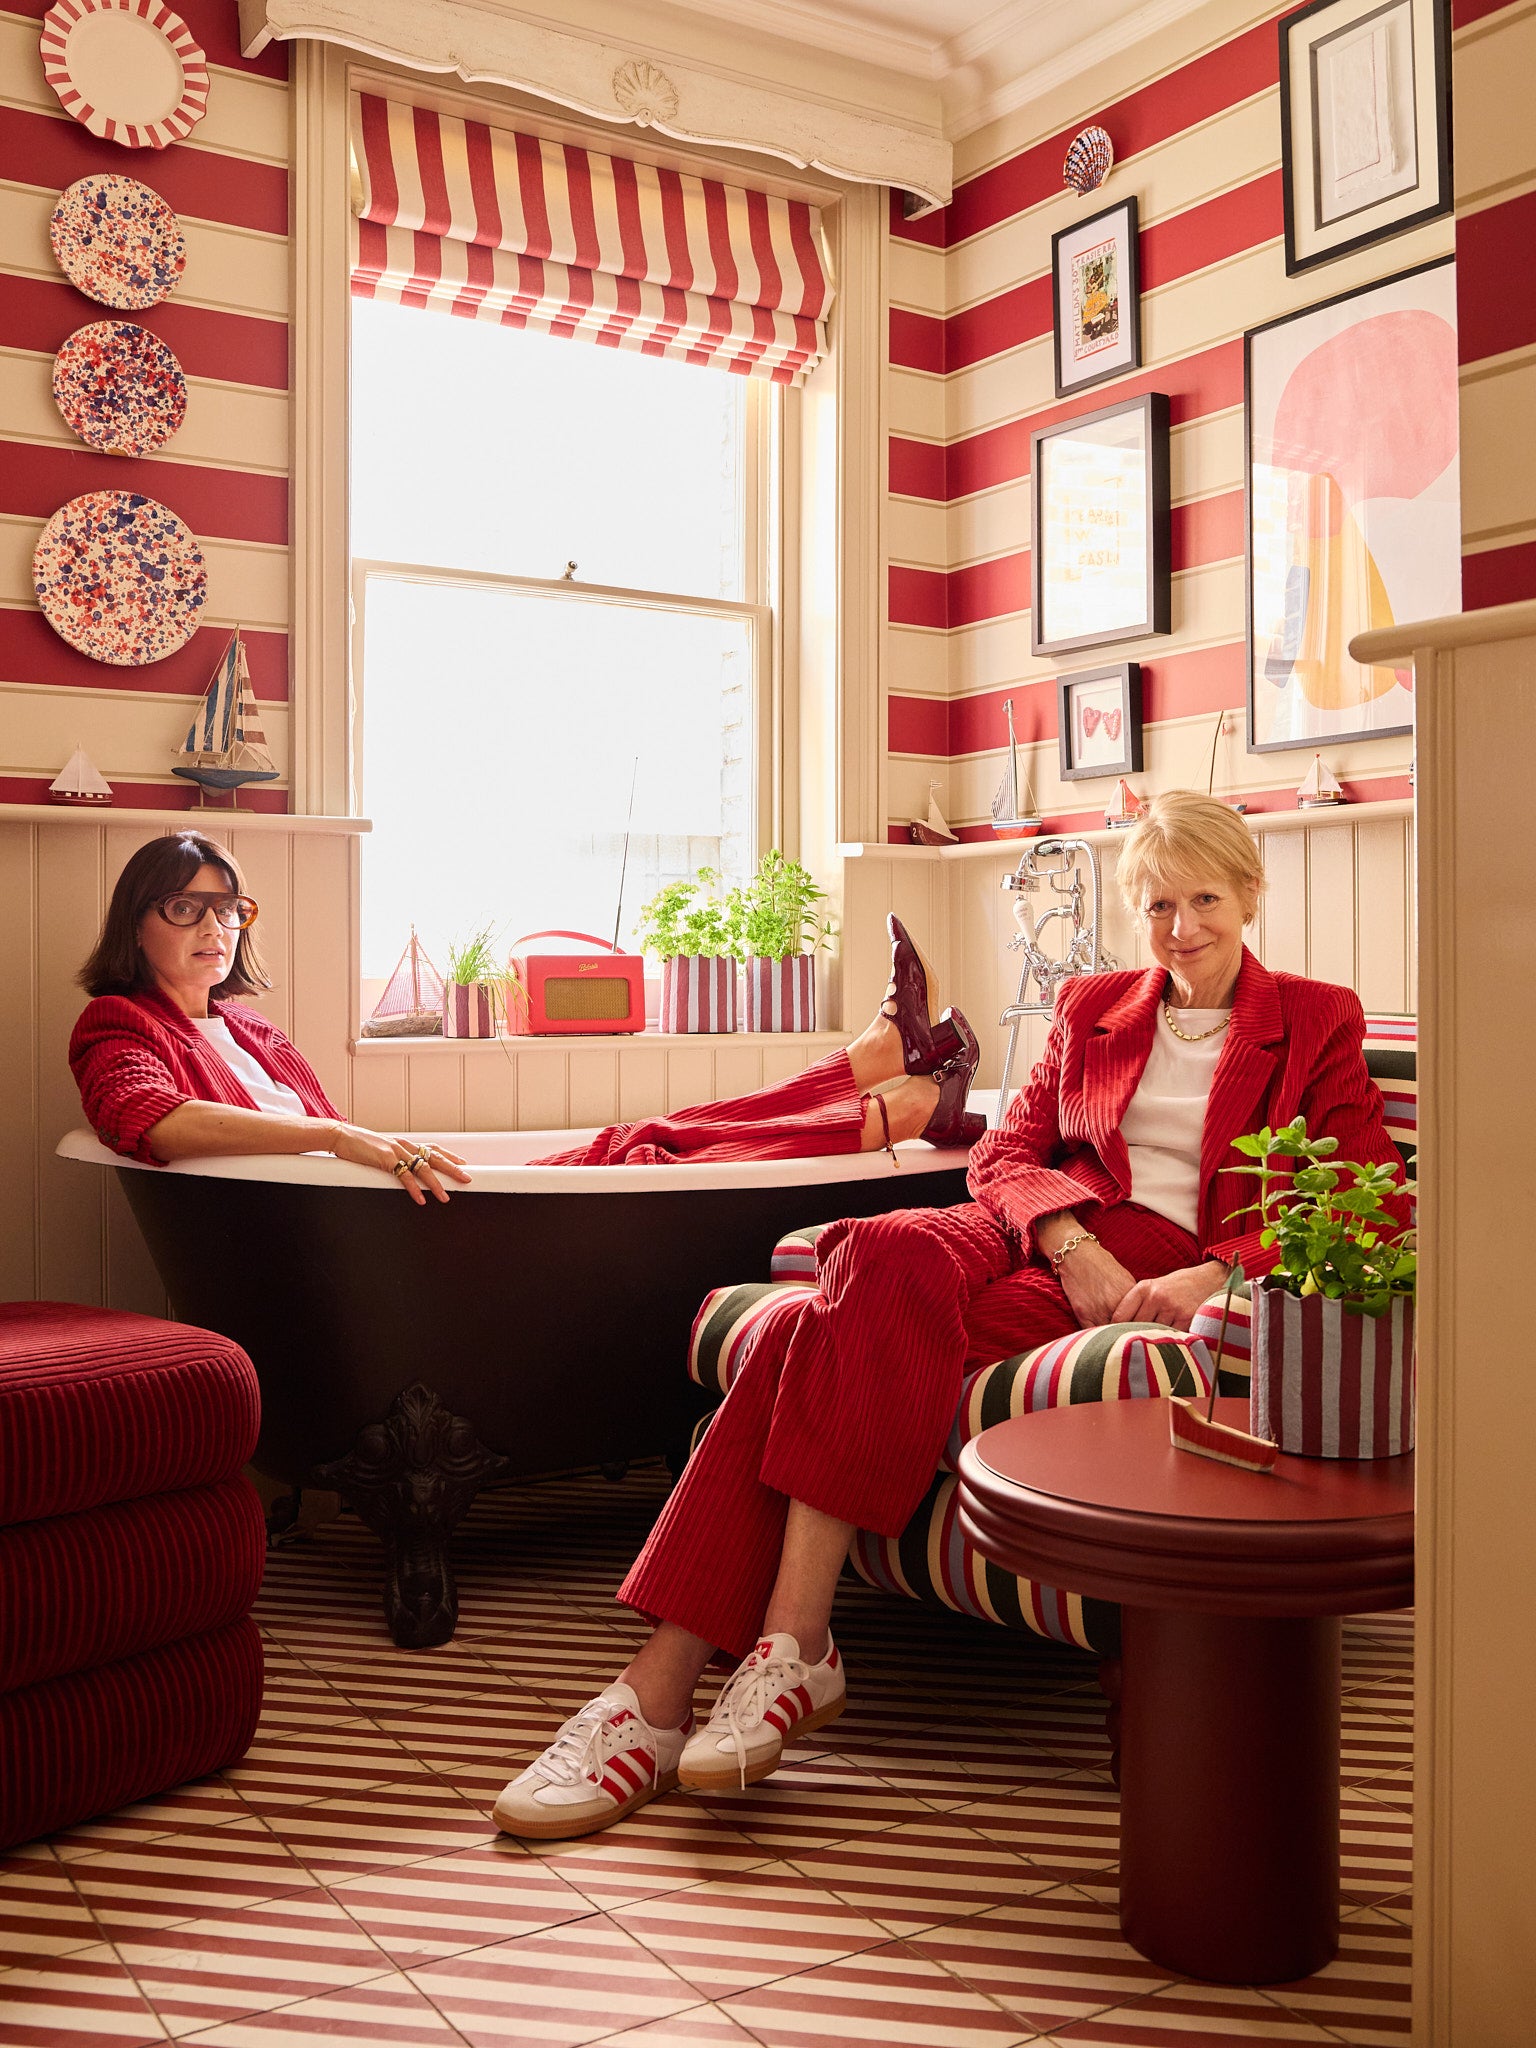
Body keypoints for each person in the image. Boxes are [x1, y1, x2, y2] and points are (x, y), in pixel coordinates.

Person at [493, 788, 1410, 1842]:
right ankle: (795, 1643)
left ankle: (655, 1698)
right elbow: (1003, 1154)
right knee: (876, 1243)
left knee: (802, 1332)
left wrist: (1219, 1275)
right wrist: (1070, 1240)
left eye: (1204, 897)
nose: (1182, 925)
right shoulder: (1090, 1007)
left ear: (1249, 893)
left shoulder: (1315, 1018)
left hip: (1164, 1258)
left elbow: (1367, 1196)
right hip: (1045, 1231)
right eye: (1157, 903)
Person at [68, 832, 984, 1193]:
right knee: (653, 1149)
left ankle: (876, 1078)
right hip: (394, 1235)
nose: (214, 927)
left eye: (227, 908)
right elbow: (160, 1123)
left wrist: (356, 1148)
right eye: (184, 907)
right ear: (137, 924)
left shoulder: (254, 1032)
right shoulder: (119, 1026)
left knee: (646, 1138)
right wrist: (347, 1142)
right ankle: (884, 1104)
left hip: (401, 1208)